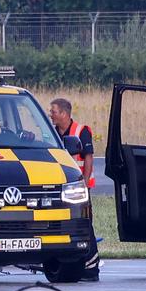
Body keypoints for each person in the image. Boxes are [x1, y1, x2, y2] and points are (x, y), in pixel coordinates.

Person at [48, 98, 100, 281]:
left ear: (64, 113)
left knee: (85, 226)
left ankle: (92, 268)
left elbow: (88, 158)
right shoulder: (52, 133)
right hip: (61, 188)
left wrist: (84, 184)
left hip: (78, 188)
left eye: (53, 111)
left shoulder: (81, 131)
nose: (50, 114)